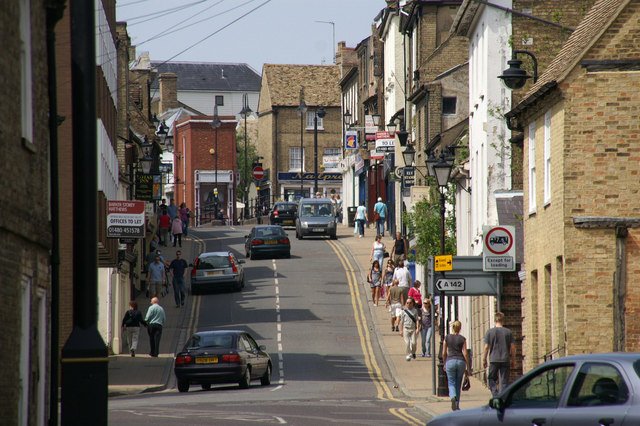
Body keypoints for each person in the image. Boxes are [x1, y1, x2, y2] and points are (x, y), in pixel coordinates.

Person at [483, 311, 515, 396]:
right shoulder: (508, 332)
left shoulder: (489, 332)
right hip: (505, 359)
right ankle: (503, 397)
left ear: (495, 320)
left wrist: (484, 359)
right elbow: (512, 347)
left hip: (493, 359)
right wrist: (513, 360)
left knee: (491, 378)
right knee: (504, 381)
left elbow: (486, 347)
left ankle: (495, 394)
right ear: (503, 320)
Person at [443, 320, 471, 411]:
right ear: (460, 328)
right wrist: (468, 367)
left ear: (452, 328)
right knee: (458, 384)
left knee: (451, 382)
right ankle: (457, 405)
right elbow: (466, 353)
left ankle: (453, 396)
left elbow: (443, 353)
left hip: (450, 361)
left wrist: (444, 363)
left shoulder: (447, 338)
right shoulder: (462, 339)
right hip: (461, 362)